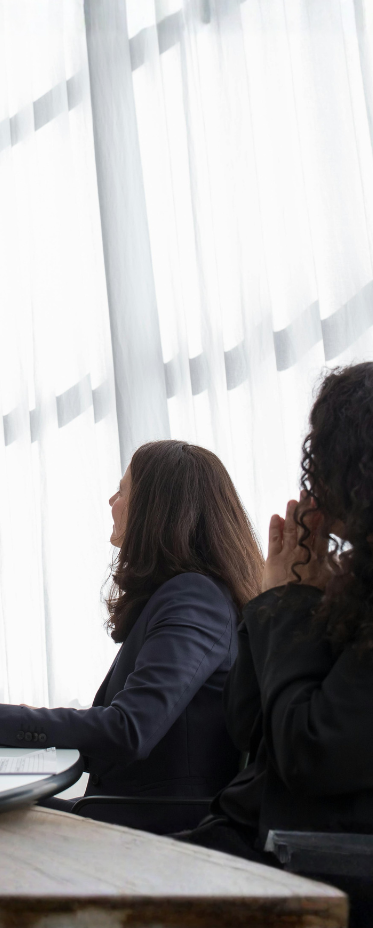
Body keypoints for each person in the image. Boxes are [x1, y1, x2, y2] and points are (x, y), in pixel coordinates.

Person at [0, 440, 262, 832]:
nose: (112, 500)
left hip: (157, 828)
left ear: (157, 509)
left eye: (124, 491)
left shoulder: (194, 597)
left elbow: (129, 729)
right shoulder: (186, 594)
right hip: (131, 809)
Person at [178, 363, 373, 861]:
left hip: (304, 859)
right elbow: (248, 727)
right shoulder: (349, 580)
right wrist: (273, 596)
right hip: (254, 834)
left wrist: (289, 604)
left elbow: (311, 751)